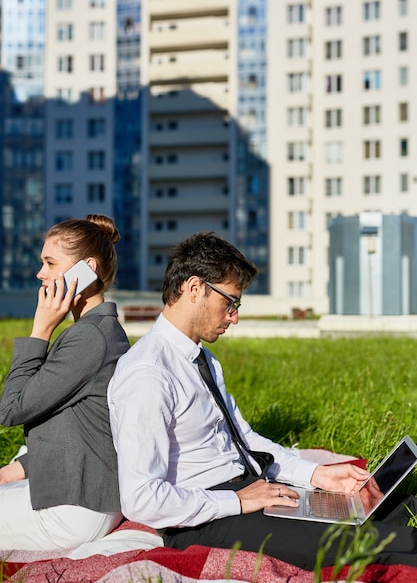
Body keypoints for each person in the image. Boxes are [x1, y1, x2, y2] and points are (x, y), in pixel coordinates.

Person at [109, 232, 417, 570]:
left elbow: (246, 440)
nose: (234, 317)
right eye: (231, 302)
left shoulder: (204, 360)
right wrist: (238, 501)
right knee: (376, 544)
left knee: (391, 506)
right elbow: (141, 499)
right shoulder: (148, 373)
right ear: (194, 289)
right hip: (206, 518)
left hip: (251, 491)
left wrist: (318, 476)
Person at [0, 214, 131, 550]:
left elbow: (11, 409)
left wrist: (40, 330)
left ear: (86, 269)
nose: (40, 273)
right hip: (84, 494)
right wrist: (22, 467)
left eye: (49, 262)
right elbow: (88, 426)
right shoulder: (97, 331)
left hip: (74, 509)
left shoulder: (90, 338)